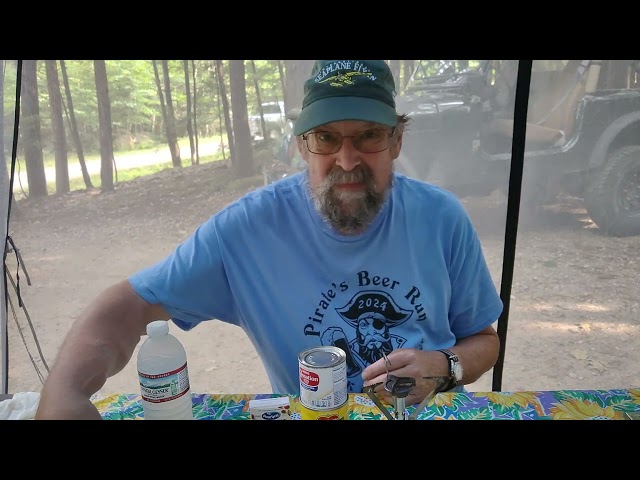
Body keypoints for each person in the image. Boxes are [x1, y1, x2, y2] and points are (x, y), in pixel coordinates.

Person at [35, 60, 503, 419]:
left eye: (368, 136)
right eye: (325, 138)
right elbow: (132, 304)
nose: (346, 159)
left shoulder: (442, 217)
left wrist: (445, 366)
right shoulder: (247, 230)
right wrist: (62, 397)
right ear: (302, 145)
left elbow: (484, 340)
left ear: (397, 141)